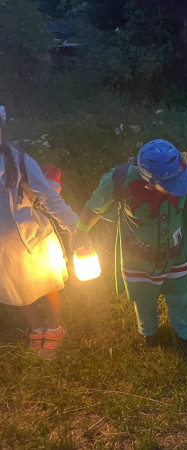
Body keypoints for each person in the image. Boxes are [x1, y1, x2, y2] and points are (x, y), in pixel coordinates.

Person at [71, 139, 187, 365]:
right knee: (143, 299)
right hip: (138, 260)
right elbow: (94, 206)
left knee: (181, 297)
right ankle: (149, 333)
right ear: (151, 183)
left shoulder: (184, 177)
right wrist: (80, 232)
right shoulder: (119, 181)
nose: (181, 184)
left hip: (176, 255)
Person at [0, 105, 77, 359]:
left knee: (46, 286)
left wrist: (75, 227)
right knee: (19, 290)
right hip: (4, 249)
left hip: (34, 240)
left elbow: (49, 198)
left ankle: (54, 327)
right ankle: (36, 327)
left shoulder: (20, 162)